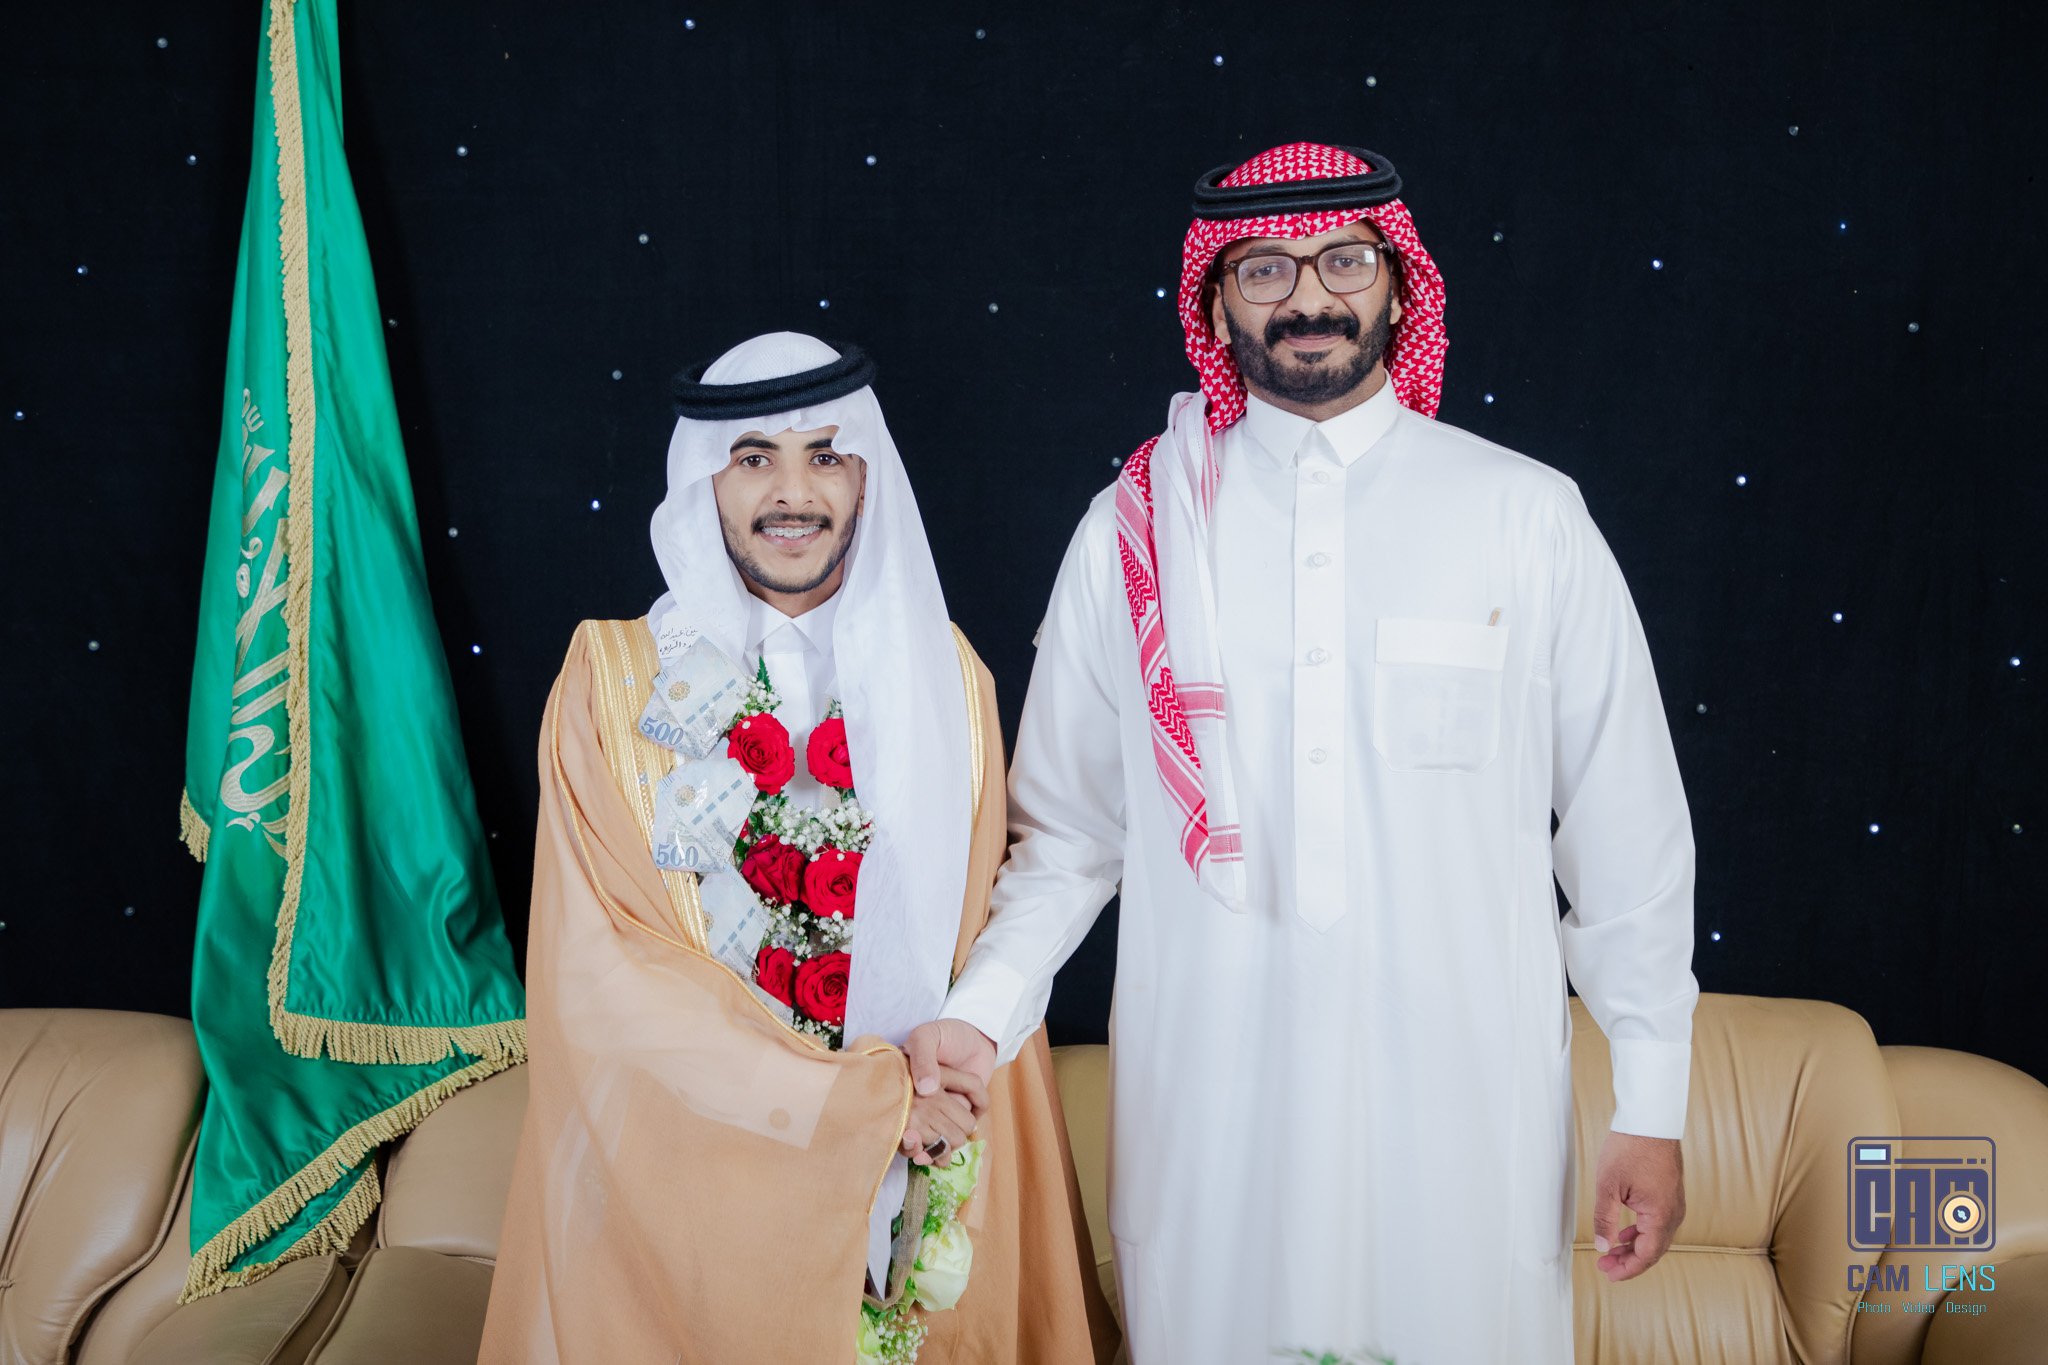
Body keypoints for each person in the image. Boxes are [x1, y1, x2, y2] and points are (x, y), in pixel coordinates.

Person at [908, 144, 1700, 1364]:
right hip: (1213, 1112)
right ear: (1216, 299)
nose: (1308, 296)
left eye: (1342, 260)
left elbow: (1623, 831)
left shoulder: (1521, 515)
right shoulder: (1134, 531)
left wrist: (1650, 1104)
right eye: (1265, 269)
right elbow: (1065, 838)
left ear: (1397, 282)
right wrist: (978, 1016)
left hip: (1462, 1111)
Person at [479, 333, 1116, 1364]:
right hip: (691, 1183)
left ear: (865, 478)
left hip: (923, 1159)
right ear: (706, 482)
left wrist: (923, 1103)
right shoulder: (611, 677)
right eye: (753, 458)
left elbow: (973, 933)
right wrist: (853, 1106)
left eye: (825, 455)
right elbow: (599, 970)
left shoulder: (948, 681)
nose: (792, 492)